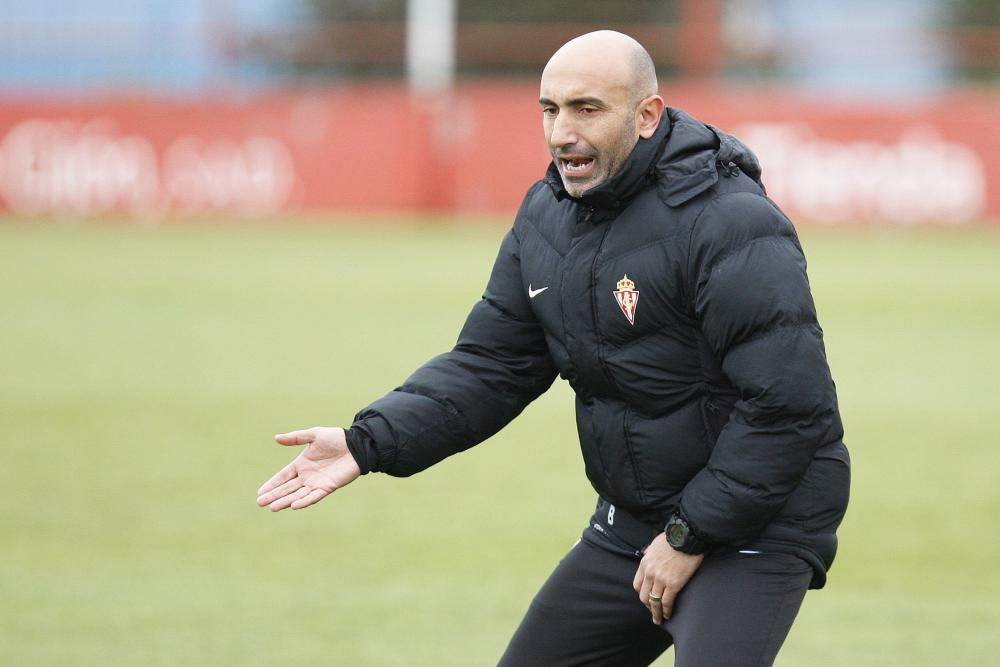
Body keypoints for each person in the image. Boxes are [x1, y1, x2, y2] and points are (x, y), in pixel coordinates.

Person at [256, 30, 850, 667]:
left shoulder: (730, 221)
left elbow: (788, 406)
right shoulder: (547, 215)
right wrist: (367, 440)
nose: (562, 132)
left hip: (756, 523)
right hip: (638, 520)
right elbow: (494, 364)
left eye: (587, 109)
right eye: (550, 109)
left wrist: (687, 535)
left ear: (646, 116)